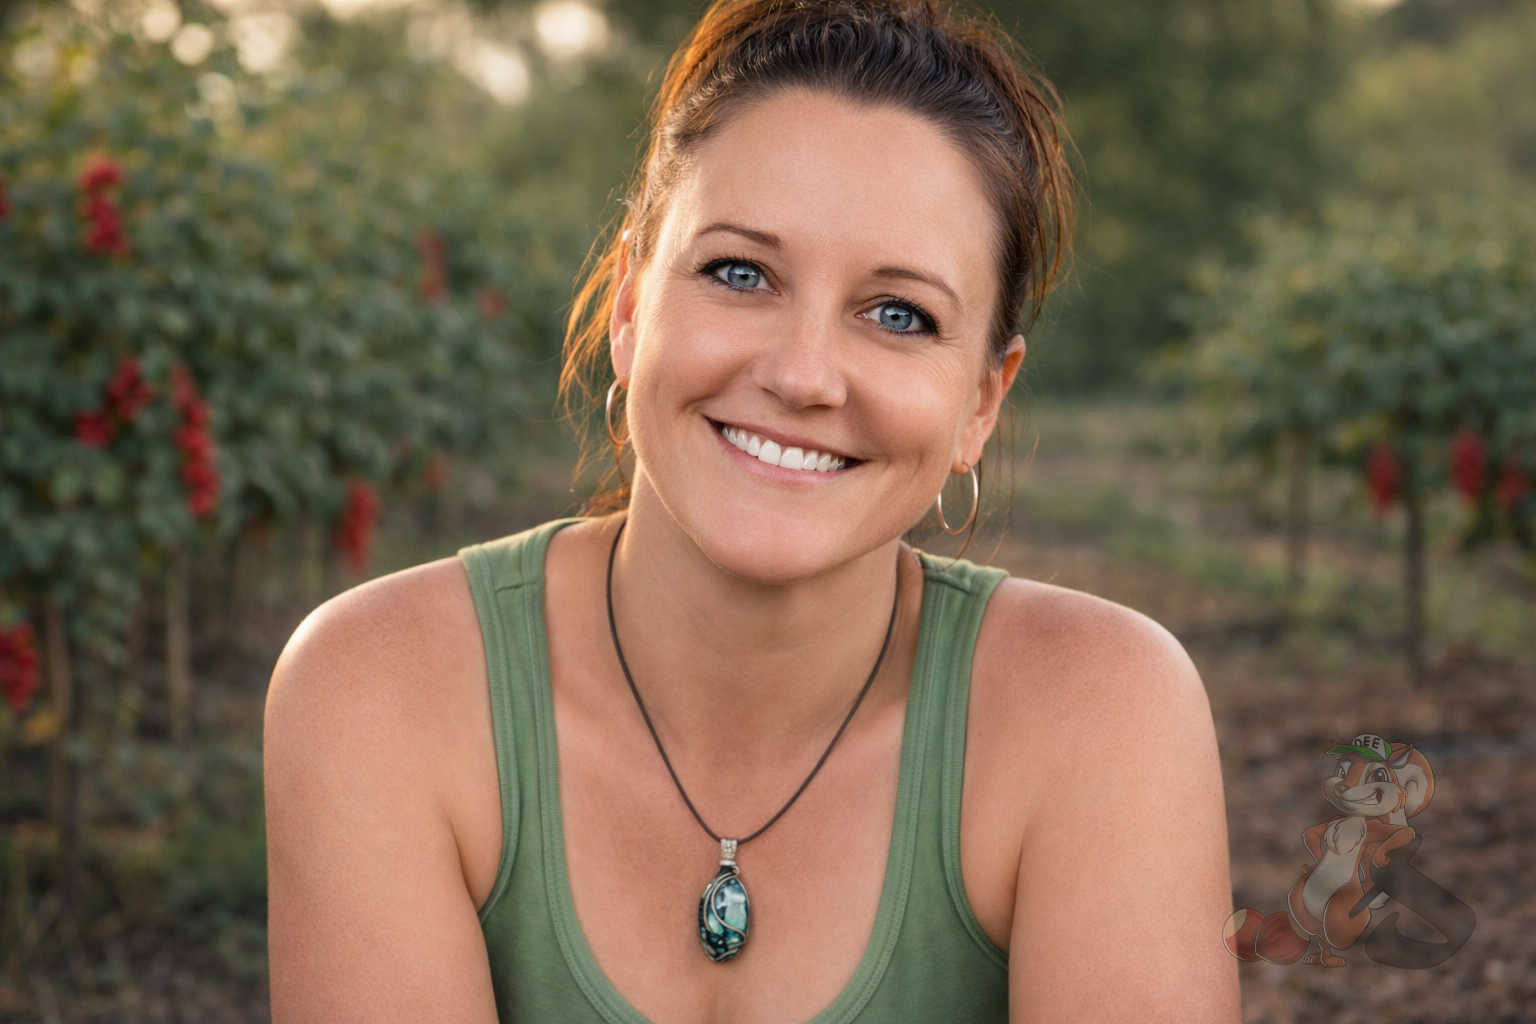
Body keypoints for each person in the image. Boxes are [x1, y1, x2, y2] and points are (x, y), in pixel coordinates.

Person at [263, 1, 1240, 1020]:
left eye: (899, 314)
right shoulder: (380, 689)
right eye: (740, 272)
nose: (804, 373)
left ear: (981, 404)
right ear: (631, 309)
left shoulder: (1101, 713)